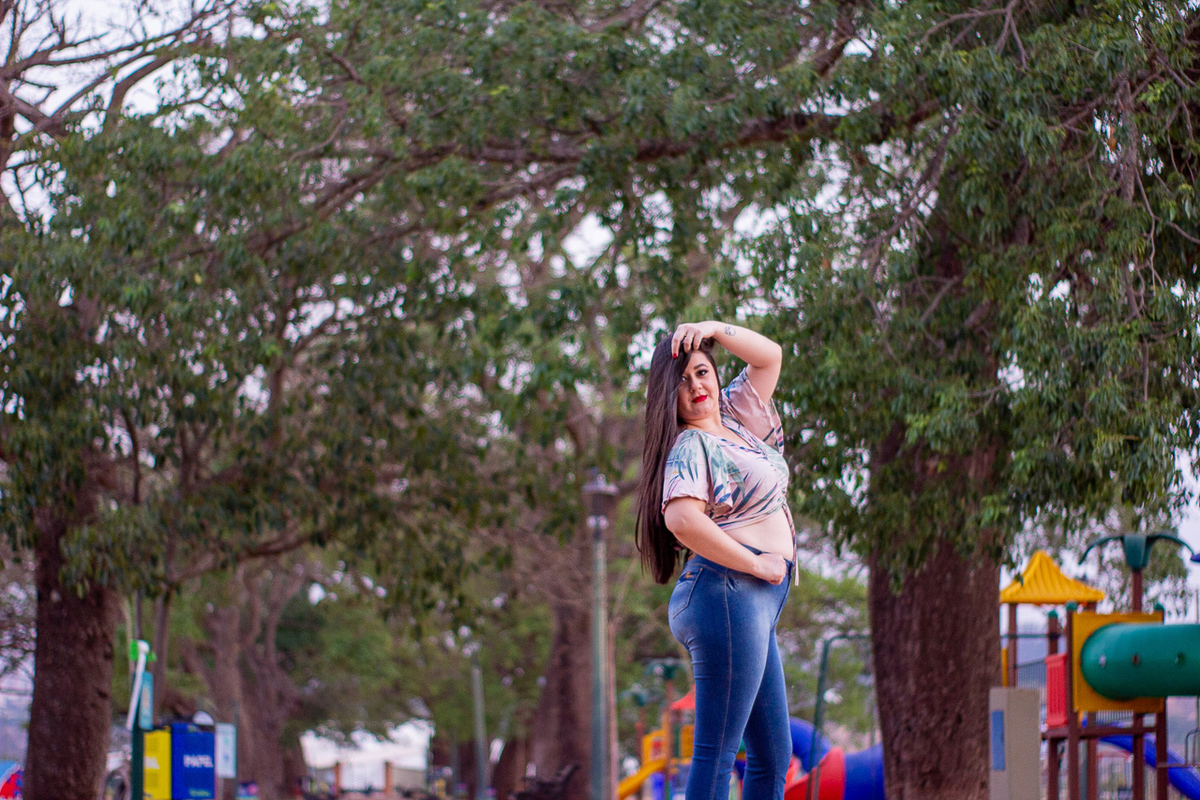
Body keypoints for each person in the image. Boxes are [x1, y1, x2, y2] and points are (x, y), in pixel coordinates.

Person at [635, 321, 795, 800]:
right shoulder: (690, 444)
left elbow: (769, 356)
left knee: (771, 756)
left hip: (752, 599)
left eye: (702, 372)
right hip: (729, 591)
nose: (696, 386)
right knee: (718, 751)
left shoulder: (739, 418)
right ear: (669, 399)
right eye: (682, 382)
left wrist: (713, 330)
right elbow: (682, 519)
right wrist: (755, 562)